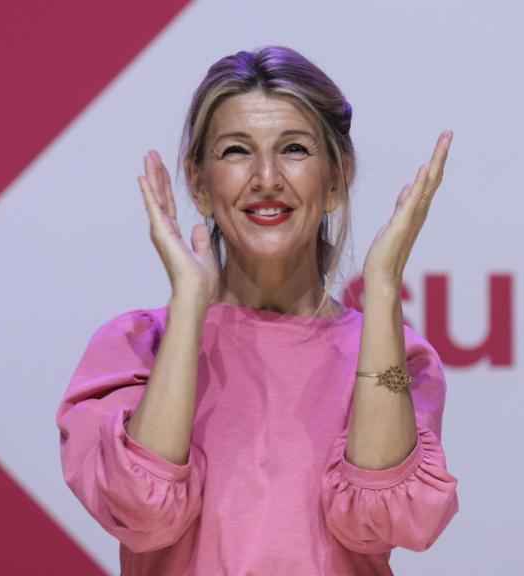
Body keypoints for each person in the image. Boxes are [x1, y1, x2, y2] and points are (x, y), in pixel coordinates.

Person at [56, 45, 458, 575]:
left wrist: (383, 286)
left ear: (336, 179)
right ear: (199, 184)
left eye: (293, 148)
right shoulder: (137, 346)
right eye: (236, 152)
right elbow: (142, 512)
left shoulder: (393, 353)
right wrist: (189, 309)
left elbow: (383, 521)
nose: (266, 178)